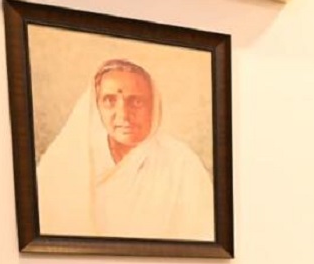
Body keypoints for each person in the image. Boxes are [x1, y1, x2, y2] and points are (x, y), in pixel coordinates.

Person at [36, 58, 214, 240]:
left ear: (153, 106)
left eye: (136, 102)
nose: (123, 114)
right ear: (95, 106)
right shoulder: (63, 164)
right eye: (109, 101)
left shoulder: (182, 164)